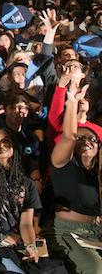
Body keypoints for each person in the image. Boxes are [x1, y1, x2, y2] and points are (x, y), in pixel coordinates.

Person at [0, 99, 52, 273]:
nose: (0, 145)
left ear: (14, 147)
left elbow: (25, 224)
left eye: (5, 141)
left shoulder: (28, 184)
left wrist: (31, 245)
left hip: (16, 239)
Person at [46, 83, 102, 273]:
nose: (87, 141)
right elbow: (68, 136)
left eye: (92, 139)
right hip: (68, 231)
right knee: (96, 268)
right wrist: (71, 98)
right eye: (81, 138)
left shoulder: (97, 174)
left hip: (96, 231)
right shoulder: (62, 163)